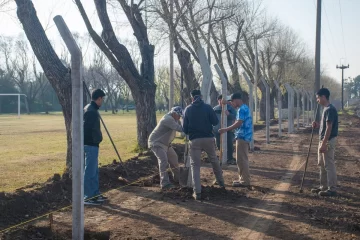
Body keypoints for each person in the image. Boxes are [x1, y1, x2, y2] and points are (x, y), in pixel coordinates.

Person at [183, 89, 225, 200]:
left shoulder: (188, 109)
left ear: (192, 98)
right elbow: (215, 122)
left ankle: (197, 192)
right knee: (214, 160)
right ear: (201, 96)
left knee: (195, 166)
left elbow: (185, 130)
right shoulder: (208, 107)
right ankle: (221, 182)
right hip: (208, 138)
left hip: (195, 140)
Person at [219, 92, 253, 188]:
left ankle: (245, 181)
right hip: (244, 136)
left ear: (236, 100)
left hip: (242, 137)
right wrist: (227, 102)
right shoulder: (244, 107)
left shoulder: (241, 110)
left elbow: (238, 123)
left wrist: (225, 129)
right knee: (241, 159)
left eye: (232, 101)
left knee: (241, 160)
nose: (232, 104)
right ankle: (243, 179)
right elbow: (234, 105)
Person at [311, 88, 339, 197]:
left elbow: (329, 127)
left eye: (318, 98)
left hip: (327, 141)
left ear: (323, 97)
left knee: (328, 164)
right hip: (323, 140)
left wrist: (324, 143)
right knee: (321, 164)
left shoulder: (330, 110)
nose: (317, 100)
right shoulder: (326, 109)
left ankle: (332, 189)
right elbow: (325, 126)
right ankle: (323, 187)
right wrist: (317, 125)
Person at [148, 106, 184, 189]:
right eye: (179, 115)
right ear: (174, 113)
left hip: (165, 144)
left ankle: (178, 179)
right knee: (163, 160)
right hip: (156, 143)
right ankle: (165, 183)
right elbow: (179, 128)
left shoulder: (175, 119)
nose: (179, 117)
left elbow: (181, 128)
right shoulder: (168, 119)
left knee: (174, 158)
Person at [83, 89, 106, 205]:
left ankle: (95, 194)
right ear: (99, 98)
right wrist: (94, 140)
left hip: (93, 145)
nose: (102, 102)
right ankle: (88, 196)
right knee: (89, 172)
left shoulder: (91, 109)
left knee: (94, 171)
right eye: (102, 99)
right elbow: (86, 129)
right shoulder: (91, 111)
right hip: (90, 144)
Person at [213, 94, 237, 165]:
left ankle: (230, 158)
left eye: (222, 100)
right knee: (218, 144)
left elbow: (235, 117)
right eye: (219, 100)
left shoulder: (230, 108)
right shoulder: (215, 109)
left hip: (228, 130)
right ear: (218, 101)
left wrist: (228, 114)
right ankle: (222, 157)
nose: (221, 102)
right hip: (218, 131)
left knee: (229, 144)